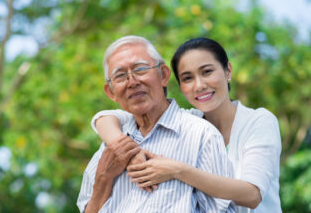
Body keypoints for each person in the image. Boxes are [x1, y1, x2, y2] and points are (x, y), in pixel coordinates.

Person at [91, 37, 282, 212]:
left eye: (207, 72)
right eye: (187, 78)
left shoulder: (258, 121)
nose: (199, 85)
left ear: (227, 71)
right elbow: (106, 117)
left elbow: (252, 195)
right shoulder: (191, 119)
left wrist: (177, 170)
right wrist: (125, 150)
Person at [77, 36, 235, 212]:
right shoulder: (109, 147)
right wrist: (103, 179)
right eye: (121, 76)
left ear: (164, 76)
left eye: (141, 69)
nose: (133, 82)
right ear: (111, 92)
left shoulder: (200, 134)